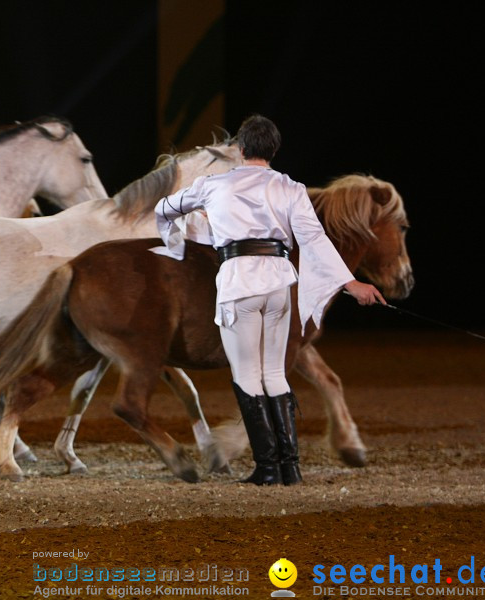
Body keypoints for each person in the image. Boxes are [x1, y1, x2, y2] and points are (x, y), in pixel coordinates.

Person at [153, 114, 384, 486]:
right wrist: (350, 283)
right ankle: (289, 467)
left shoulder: (213, 185)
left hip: (238, 282)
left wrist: (177, 241)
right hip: (280, 284)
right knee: (275, 374)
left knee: (247, 375)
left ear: (240, 150)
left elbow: (164, 209)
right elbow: (314, 240)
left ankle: (267, 468)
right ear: (273, 151)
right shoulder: (291, 188)